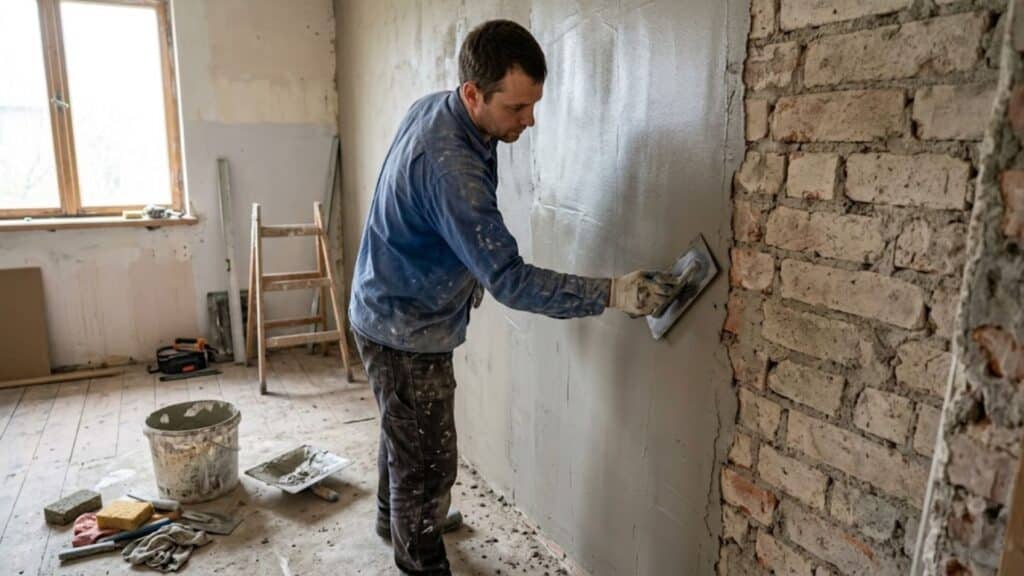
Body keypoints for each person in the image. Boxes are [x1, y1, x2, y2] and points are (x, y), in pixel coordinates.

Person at [348, 19, 677, 575]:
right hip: (403, 328)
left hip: (390, 302)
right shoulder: (451, 168)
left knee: (403, 433)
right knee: (427, 464)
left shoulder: (442, 108)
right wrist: (616, 292)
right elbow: (511, 280)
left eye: (533, 105)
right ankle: (419, 555)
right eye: (517, 109)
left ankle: (392, 520)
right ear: (474, 93)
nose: (529, 121)